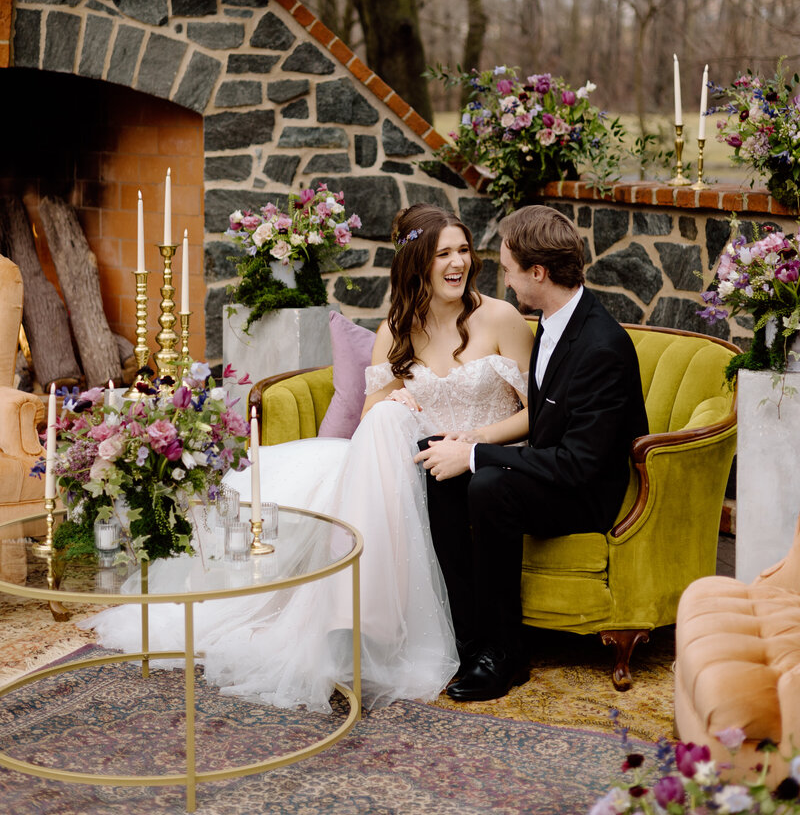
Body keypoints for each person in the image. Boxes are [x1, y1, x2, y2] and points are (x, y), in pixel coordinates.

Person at [83, 203, 534, 711]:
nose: (458, 263)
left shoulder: (500, 317)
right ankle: (355, 620)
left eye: (463, 251)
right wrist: (397, 399)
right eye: (442, 253)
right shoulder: (397, 328)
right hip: (421, 461)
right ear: (417, 264)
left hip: (482, 457)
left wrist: (471, 441)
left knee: (366, 454)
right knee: (380, 423)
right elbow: (371, 410)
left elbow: (534, 415)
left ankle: (365, 615)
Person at [416, 204, 649, 703]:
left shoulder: (601, 345)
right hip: (555, 470)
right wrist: (462, 448)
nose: (504, 280)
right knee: (437, 459)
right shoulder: (553, 320)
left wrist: (478, 453)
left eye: (508, 269)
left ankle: (506, 653)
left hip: (589, 492)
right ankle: (468, 638)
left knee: (489, 483)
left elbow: (579, 465)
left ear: (538, 273)